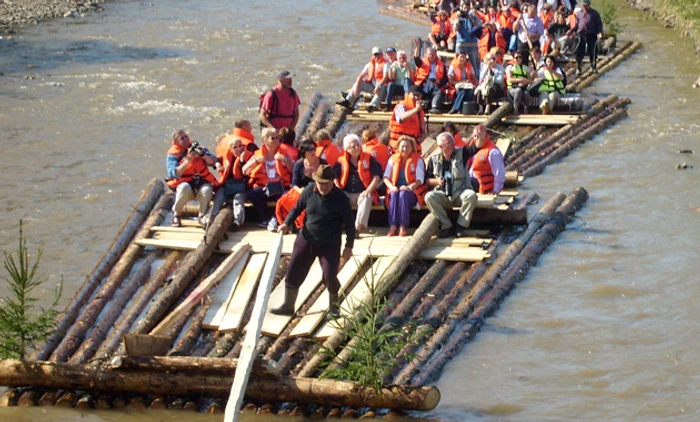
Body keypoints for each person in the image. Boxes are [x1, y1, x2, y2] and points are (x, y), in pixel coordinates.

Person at [273, 165, 355, 318]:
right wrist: (286, 223)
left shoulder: (341, 198)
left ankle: (334, 308)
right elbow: (296, 209)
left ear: (332, 182)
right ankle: (288, 305)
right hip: (307, 237)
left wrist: (349, 246)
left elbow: (350, 225)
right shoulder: (309, 191)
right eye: (320, 183)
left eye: (327, 183)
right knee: (294, 269)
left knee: (330, 275)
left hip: (330, 242)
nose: (323, 186)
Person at [424, 131, 483, 238]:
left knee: (471, 195)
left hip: (460, 192)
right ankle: (446, 225)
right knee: (429, 197)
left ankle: (461, 225)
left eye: (452, 141)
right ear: (441, 147)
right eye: (448, 143)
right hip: (443, 193)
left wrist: (480, 137)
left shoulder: (462, 152)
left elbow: (476, 147)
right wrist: (437, 181)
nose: (452, 144)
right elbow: (427, 180)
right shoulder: (434, 160)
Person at [243, 127, 295, 231]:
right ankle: (265, 218)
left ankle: (277, 219)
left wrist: (285, 160)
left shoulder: (283, 153)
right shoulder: (258, 154)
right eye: (273, 138)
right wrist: (256, 162)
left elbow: (293, 169)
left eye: (277, 138)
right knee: (253, 193)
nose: (276, 140)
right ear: (265, 140)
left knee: (287, 196)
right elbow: (244, 170)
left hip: (280, 186)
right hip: (264, 187)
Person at [165, 130, 217, 227]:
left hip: (200, 182)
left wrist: (203, 156)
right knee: (184, 187)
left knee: (207, 189)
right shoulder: (173, 155)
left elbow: (213, 161)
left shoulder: (197, 148)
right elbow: (173, 173)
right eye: (182, 138)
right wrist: (188, 160)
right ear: (176, 142)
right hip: (185, 184)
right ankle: (176, 214)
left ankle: (202, 215)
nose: (185, 139)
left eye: (186, 137)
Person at [333, 134, 382, 233]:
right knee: (336, 198)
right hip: (346, 192)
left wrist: (368, 190)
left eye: (358, 145)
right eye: (353, 146)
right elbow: (334, 177)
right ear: (347, 149)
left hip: (362, 192)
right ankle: (337, 226)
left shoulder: (369, 158)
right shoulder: (340, 161)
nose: (357, 148)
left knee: (367, 197)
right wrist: (338, 189)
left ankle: (357, 229)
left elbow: (377, 176)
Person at [275, 140, 327, 231]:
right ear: (304, 152)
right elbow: (294, 183)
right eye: (310, 149)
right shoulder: (299, 164)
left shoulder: (323, 163)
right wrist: (301, 191)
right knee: (288, 199)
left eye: (314, 149)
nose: (313, 151)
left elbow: (328, 180)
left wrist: (315, 177)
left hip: (319, 190)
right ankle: (292, 224)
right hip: (302, 190)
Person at [383, 136, 427, 237]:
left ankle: (403, 226)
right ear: (398, 147)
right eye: (402, 146)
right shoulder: (393, 159)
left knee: (403, 194)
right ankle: (393, 226)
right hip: (395, 190)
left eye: (407, 146)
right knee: (394, 193)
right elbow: (385, 177)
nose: (405, 149)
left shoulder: (417, 160)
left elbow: (420, 180)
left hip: (412, 191)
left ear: (412, 148)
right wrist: (391, 186)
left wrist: (409, 187)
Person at [209, 136, 252, 231]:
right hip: (228, 186)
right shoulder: (226, 157)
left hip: (242, 187)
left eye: (240, 146)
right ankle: (211, 218)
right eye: (235, 147)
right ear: (231, 148)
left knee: (238, 200)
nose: (238, 149)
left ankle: (237, 222)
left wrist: (241, 160)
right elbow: (214, 160)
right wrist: (217, 164)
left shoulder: (248, 157)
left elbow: (247, 174)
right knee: (219, 196)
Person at [337, 47, 387, 111]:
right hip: (373, 87)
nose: (377, 56)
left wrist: (378, 86)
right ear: (373, 55)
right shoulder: (369, 65)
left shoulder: (386, 64)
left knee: (381, 86)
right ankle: (348, 101)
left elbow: (385, 77)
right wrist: (357, 87)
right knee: (359, 83)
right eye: (375, 55)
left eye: (378, 54)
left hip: (383, 89)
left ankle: (373, 105)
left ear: (381, 54)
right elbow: (360, 76)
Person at [468, 123, 506, 195]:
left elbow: (499, 173)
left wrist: (495, 190)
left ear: (485, 136)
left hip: (482, 184)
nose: (476, 139)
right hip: (471, 180)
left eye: (479, 136)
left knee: (462, 182)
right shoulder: (473, 149)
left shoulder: (493, 152)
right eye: (475, 136)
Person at [412, 42, 449, 114]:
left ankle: (434, 107)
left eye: (433, 55)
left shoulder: (442, 65)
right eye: (429, 55)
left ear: (435, 55)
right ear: (426, 55)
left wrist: (439, 82)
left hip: (437, 85)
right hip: (424, 85)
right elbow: (416, 59)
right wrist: (417, 47)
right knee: (428, 82)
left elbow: (445, 79)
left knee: (440, 91)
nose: (431, 56)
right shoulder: (422, 63)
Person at [389, 85, 427, 151]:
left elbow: (423, 128)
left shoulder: (420, 112)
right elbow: (401, 117)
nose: (416, 97)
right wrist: (416, 109)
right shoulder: (401, 105)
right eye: (414, 95)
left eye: (418, 95)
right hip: (398, 147)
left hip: (413, 148)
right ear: (408, 94)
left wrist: (423, 136)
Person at [572, 0, 603, 75]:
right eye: (583, 5)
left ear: (589, 5)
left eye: (586, 5)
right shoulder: (579, 14)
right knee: (579, 51)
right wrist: (571, 30)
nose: (584, 7)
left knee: (592, 51)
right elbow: (577, 24)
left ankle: (594, 67)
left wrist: (600, 32)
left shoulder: (594, 13)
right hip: (581, 34)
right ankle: (579, 68)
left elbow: (599, 24)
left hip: (591, 34)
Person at [453, 2, 481, 75]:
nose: (466, 10)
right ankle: (457, 79)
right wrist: (457, 18)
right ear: (462, 8)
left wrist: (470, 17)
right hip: (461, 43)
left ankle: (477, 81)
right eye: (464, 8)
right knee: (458, 62)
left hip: (473, 44)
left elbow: (478, 26)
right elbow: (455, 29)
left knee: (475, 64)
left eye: (467, 8)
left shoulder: (473, 16)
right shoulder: (459, 17)